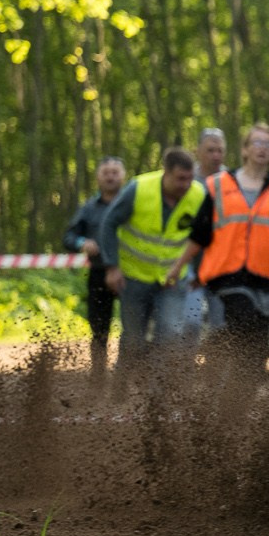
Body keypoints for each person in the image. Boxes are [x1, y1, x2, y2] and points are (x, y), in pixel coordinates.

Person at [184, 123, 269, 387]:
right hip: (228, 277)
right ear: (245, 150)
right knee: (242, 321)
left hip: (266, 277)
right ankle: (216, 348)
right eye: (256, 143)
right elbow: (199, 234)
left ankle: (233, 415)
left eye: (268, 144)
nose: (262, 148)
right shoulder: (218, 185)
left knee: (256, 357)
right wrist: (179, 267)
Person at [100, 147, 204, 389]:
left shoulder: (198, 195)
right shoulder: (139, 188)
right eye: (180, 178)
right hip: (134, 277)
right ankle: (121, 383)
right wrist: (111, 267)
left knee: (170, 334)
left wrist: (198, 272)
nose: (186, 184)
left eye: (190, 178)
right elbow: (109, 223)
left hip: (173, 279)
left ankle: (156, 392)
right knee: (134, 340)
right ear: (165, 172)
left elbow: (202, 237)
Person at [63, 156, 127, 377]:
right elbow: (68, 237)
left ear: (123, 176)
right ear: (98, 177)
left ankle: (126, 375)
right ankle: (98, 376)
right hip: (99, 273)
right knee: (99, 328)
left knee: (134, 327)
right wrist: (82, 242)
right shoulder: (88, 207)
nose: (110, 176)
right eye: (106, 172)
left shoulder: (131, 203)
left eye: (115, 172)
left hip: (131, 274)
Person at [187, 127, 229, 334]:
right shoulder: (186, 180)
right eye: (210, 150)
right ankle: (185, 366)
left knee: (221, 328)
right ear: (198, 151)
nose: (216, 155)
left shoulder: (232, 181)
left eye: (220, 150)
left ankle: (216, 367)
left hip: (221, 266)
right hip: (190, 264)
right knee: (189, 323)